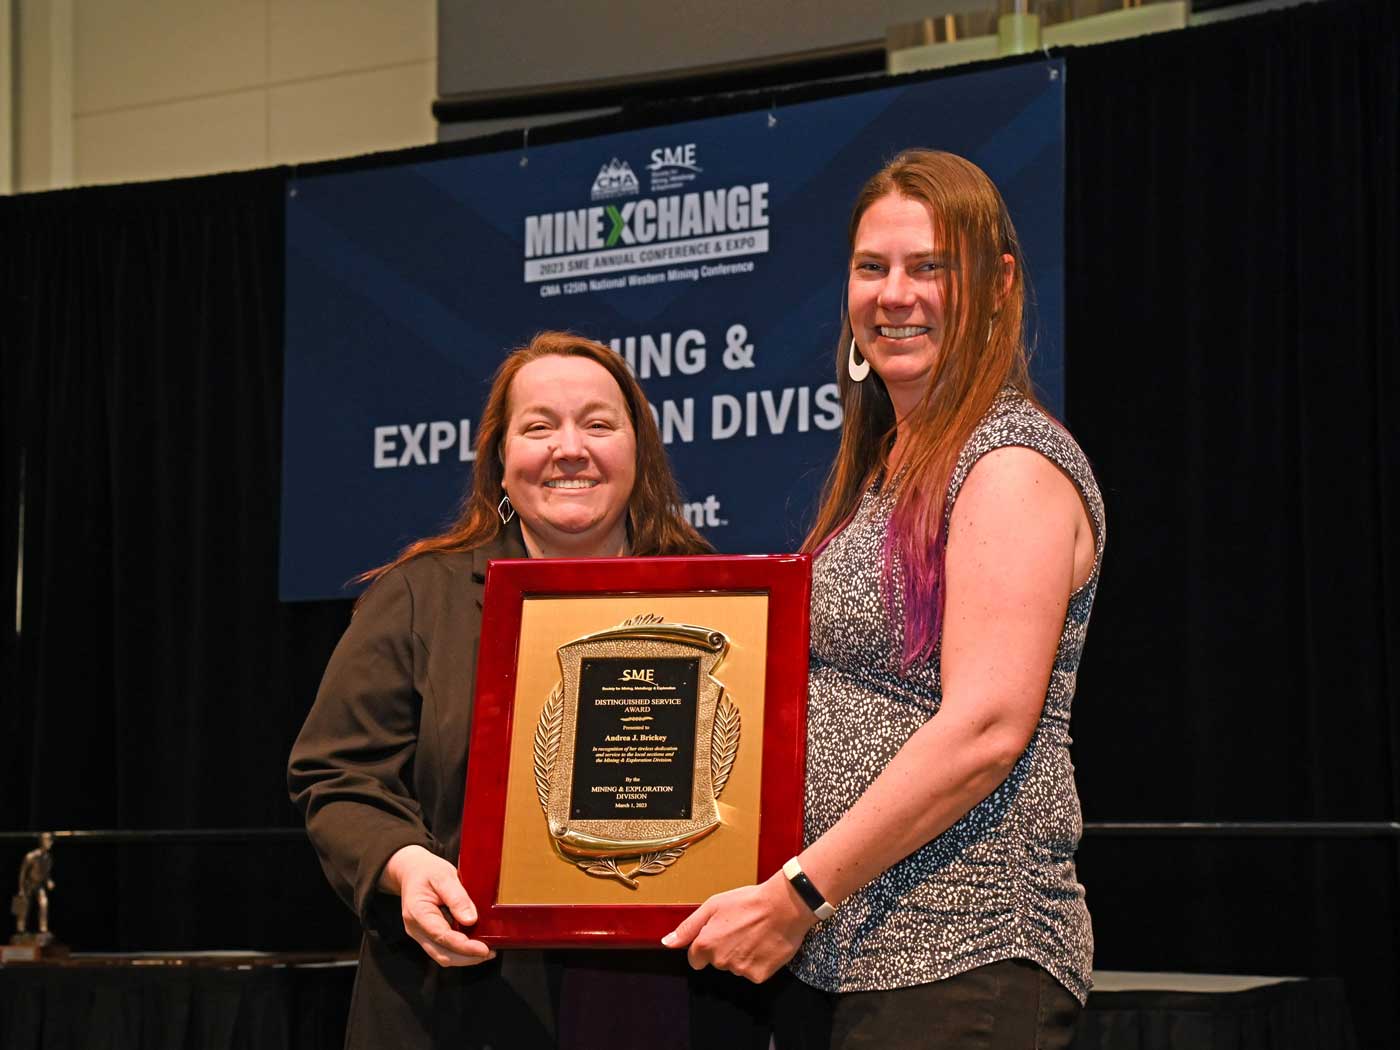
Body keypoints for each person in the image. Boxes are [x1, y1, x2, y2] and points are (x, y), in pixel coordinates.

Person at [664, 150, 1105, 1049]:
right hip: (846, 956)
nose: (893, 294)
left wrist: (796, 892)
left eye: (929, 266)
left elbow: (985, 727)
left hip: (963, 954)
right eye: (873, 268)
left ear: (996, 284)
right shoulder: (882, 467)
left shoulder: (1010, 464)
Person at [288, 331, 716, 1050]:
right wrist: (404, 863)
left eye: (599, 424)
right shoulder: (420, 596)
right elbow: (336, 777)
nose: (568, 448)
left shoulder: (716, 598)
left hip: (662, 995)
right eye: (538, 426)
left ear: (639, 451)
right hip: (457, 1000)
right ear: (499, 458)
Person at [12, 832, 56, 938]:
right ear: (42, 841)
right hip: (28, 884)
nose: (50, 842)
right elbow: (22, 873)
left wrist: (48, 881)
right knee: (24, 907)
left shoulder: (48, 858)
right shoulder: (31, 856)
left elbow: (46, 874)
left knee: (44, 904)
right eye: (47, 840)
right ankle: (20, 929)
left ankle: (43, 928)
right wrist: (21, 889)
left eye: (51, 840)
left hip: (39, 885)